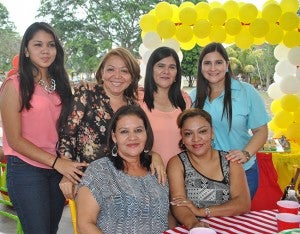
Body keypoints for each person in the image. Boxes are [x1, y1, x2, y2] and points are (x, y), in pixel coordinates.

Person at [0, 22, 87, 233]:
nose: (45, 50)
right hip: (26, 170)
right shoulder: (14, 85)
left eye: (51, 45)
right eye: (38, 45)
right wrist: (57, 163)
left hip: (57, 171)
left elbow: (69, 129)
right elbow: (15, 140)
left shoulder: (62, 86)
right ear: (27, 50)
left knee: (49, 230)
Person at [58, 47, 166, 200]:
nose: (117, 76)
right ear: (102, 72)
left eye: (124, 71)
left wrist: (154, 156)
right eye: (111, 69)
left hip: (122, 183)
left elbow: (135, 143)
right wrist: (67, 173)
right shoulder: (86, 94)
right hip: (89, 182)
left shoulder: (132, 105)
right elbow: (67, 135)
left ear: (132, 77)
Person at [189, 42, 270, 199]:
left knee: (237, 221)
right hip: (203, 174)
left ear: (226, 65)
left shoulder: (247, 92)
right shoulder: (192, 96)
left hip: (242, 171)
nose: (213, 68)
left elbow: (261, 131)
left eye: (218, 62)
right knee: (207, 221)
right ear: (201, 67)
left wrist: (246, 153)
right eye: (207, 63)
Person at [76, 105, 169, 233]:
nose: (132, 137)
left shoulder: (155, 168)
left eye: (138, 130)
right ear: (114, 137)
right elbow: (85, 225)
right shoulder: (99, 171)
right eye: (124, 131)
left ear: (146, 133)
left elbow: (166, 216)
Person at [167, 108, 251, 230]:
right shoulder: (177, 163)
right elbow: (178, 204)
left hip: (230, 227)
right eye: (188, 133)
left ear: (212, 133)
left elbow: (243, 204)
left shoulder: (231, 161)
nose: (196, 139)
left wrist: (202, 212)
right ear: (183, 139)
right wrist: (194, 224)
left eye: (202, 131)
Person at [139, 46, 191, 166]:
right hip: (147, 174)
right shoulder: (138, 100)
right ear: (151, 70)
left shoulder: (185, 100)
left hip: (180, 175)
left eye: (172, 67)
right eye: (160, 66)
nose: (166, 72)